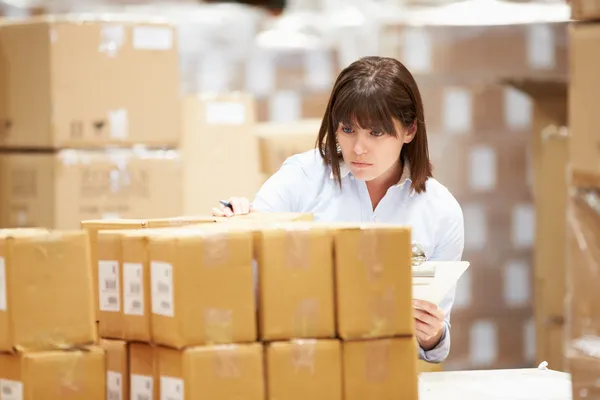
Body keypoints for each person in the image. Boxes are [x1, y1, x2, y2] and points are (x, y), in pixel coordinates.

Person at [213, 56, 464, 363]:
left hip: (382, 375)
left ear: (409, 131)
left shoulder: (440, 211)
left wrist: (433, 334)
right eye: (348, 129)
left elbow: (436, 346)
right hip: (301, 367)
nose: (358, 147)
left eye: (376, 133)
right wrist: (236, 217)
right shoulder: (302, 178)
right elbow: (249, 238)